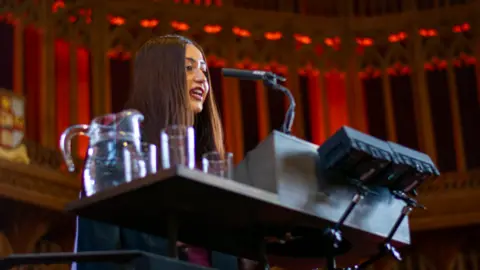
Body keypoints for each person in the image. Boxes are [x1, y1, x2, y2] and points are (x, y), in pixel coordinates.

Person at [73, 35, 256, 270]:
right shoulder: (119, 146)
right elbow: (97, 254)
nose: (202, 79)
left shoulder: (209, 167)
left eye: (204, 71)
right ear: (159, 76)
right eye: (189, 68)